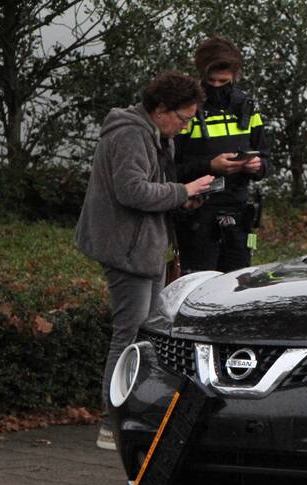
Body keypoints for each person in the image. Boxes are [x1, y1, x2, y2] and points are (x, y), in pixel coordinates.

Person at [75, 70, 214, 450]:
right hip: (127, 250)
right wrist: (181, 189)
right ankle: (113, 424)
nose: (185, 127)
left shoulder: (152, 134)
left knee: (146, 336)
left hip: (143, 249)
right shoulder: (131, 133)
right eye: (183, 119)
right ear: (160, 109)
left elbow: (149, 190)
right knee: (130, 336)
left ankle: (136, 417)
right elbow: (131, 190)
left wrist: (181, 198)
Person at [174, 35, 270, 274]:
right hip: (198, 213)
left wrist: (256, 166)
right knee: (198, 283)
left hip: (239, 214)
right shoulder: (188, 109)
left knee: (236, 284)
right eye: (211, 81)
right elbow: (168, 169)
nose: (216, 87)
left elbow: (267, 160)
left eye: (223, 81)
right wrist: (210, 165)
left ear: (235, 76)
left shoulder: (247, 107)